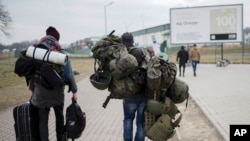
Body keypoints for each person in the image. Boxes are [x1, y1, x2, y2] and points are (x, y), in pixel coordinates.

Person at [29, 26, 78, 141]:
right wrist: (74, 91)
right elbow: (68, 75)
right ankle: (60, 139)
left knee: (42, 122)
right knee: (59, 118)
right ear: (57, 39)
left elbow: (32, 72)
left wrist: (32, 90)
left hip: (40, 93)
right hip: (57, 93)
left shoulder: (37, 51)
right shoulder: (60, 52)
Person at [121, 32, 146, 141]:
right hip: (142, 94)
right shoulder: (140, 52)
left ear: (122, 41)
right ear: (132, 40)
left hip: (128, 94)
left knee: (128, 120)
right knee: (141, 123)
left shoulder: (121, 54)